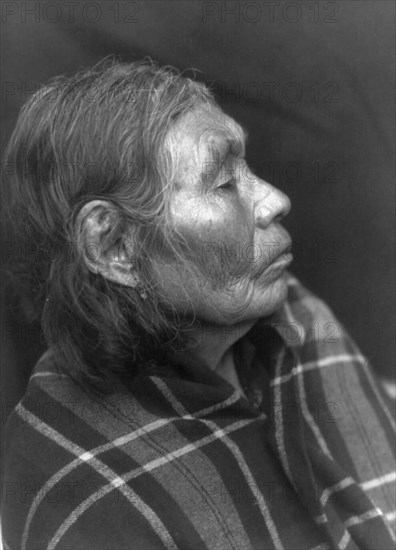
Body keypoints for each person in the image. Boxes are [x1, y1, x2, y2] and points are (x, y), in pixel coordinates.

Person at [1, 60, 395, 550]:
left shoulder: (287, 310)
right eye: (223, 183)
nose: (274, 200)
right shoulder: (76, 490)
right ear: (114, 247)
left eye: (246, 167)